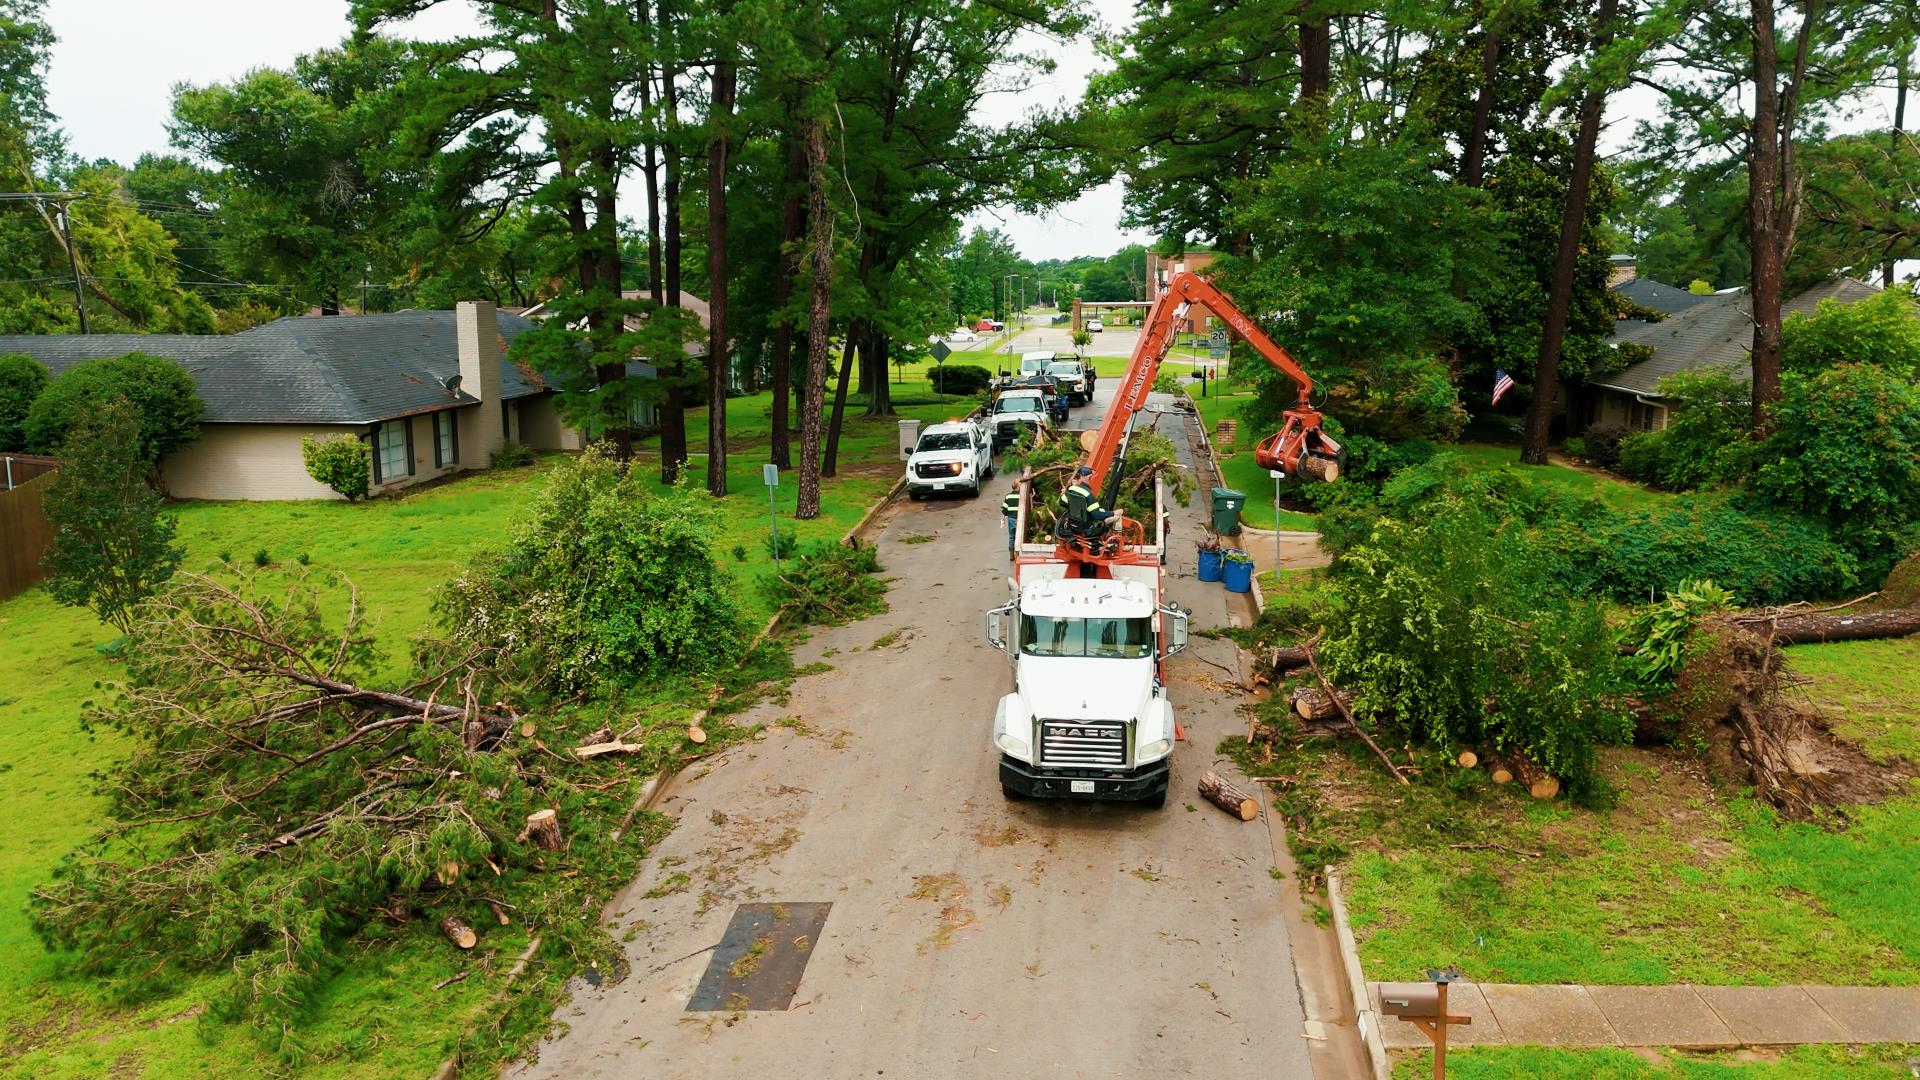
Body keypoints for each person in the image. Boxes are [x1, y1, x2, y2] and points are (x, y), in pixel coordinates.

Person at [1058, 465, 1113, 545]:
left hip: (1073, 525)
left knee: (1102, 511)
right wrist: (1114, 513)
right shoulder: (1088, 494)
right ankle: (1113, 544)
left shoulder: (1071, 489)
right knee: (1116, 518)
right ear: (1089, 478)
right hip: (1086, 527)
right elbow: (1096, 515)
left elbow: (1062, 502)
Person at [1001, 481, 1023, 558]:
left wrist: (1006, 515)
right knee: (1019, 536)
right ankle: (1018, 555)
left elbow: (1004, 510)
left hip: (1011, 518)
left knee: (1011, 536)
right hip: (1020, 519)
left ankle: (1011, 555)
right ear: (1017, 487)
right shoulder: (1021, 496)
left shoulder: (1008, 496)